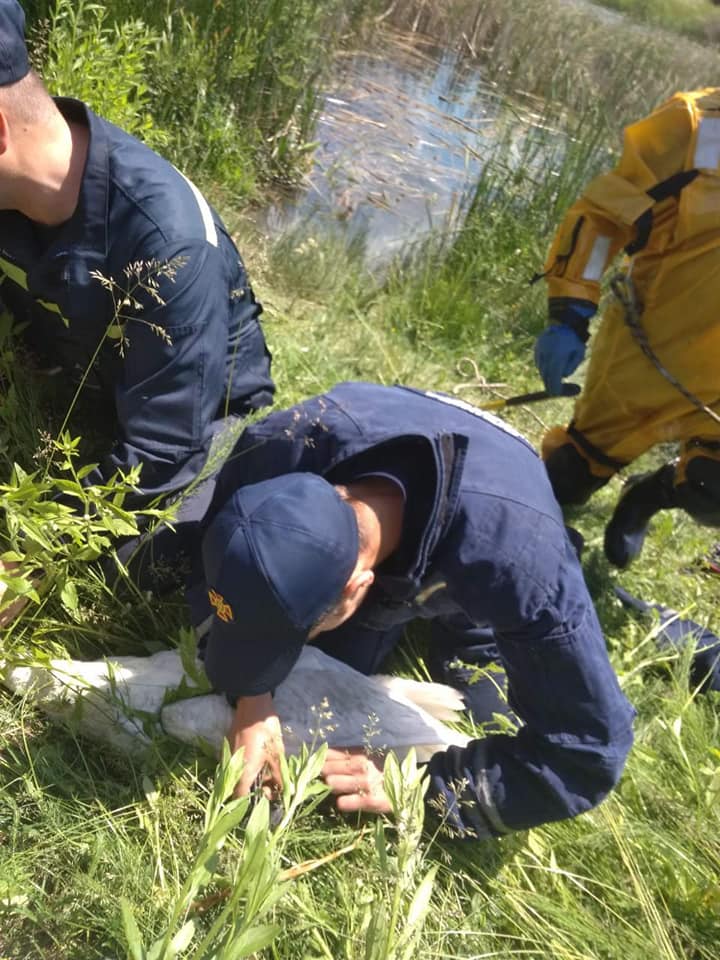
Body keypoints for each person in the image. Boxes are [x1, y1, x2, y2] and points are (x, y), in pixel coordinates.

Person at [193, 381, 635, 840]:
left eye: (298, 631)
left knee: (485, 705)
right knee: (335, 675)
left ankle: (468, 631)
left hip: (493, 528)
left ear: (358, 588)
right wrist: (255, 698)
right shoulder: (274, 454)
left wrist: (419, 786)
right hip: (405, 451)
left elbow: (588, 752)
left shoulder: (522, 569)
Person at [0, 0, 274, 515]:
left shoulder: (169, 246)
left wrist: (28, 560)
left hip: (200, 415)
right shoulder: (10, 192)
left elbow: (163, 453)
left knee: (156, 552)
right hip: (77, 370)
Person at [533, 88, 720, 568]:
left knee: (713, 491)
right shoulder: (695, 125)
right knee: (568, 480)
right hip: (649, 358)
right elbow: (605, 216)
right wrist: (570, 311)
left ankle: (646, 497)